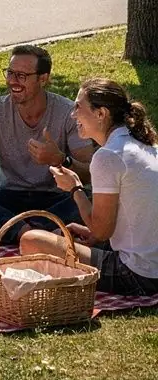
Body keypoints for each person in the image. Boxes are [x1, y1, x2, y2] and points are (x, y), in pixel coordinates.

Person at [0, 44, 94, 243]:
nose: (13, 81)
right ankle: (32, 233)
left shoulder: (68, 113)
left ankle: (0, 230)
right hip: (5, 197)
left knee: (92, 198)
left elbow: (90, 173)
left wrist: (60, 160)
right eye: (10, 73)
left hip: (54, 199)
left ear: (43, 79)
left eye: (22, 75)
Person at [21, 80, 158, 296]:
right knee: (58, 237)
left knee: (32, 241)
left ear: (101, 113)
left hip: (138, 275)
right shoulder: (147, 146)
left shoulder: (108, 156)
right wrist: (94, 236)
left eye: (78, 107)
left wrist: (75, 189)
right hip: (150, 265)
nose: (73, 115)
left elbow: (102, 231)